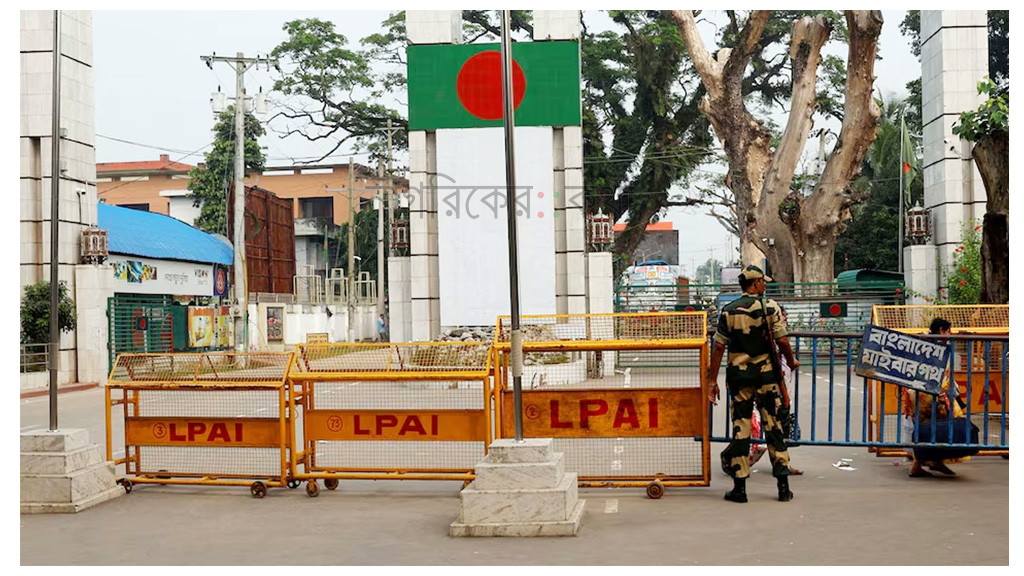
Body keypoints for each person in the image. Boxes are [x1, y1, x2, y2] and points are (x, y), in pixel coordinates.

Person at [706, 264, 800, 503]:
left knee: (741, 429)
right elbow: (782, 341)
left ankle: (739, 488)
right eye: (762, 282)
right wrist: (791, 361)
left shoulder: (728, 311)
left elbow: (718, 347)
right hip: (767, 378)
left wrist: (711, 380)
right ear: (756, 283)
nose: (764, 285)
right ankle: (783, 487)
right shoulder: (770, 307)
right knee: (774, 428)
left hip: (739, 379)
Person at [903, 317, 977, 477]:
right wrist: (943, 395)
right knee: (940, 425)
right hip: (931, 395)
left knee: (927, 429)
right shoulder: (937, 347)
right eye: (949, 330)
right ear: (942, 330)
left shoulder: (924, 342)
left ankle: (931, 461)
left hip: (918, 393)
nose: (951, 333)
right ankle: (923, 463)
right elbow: (937, 374)